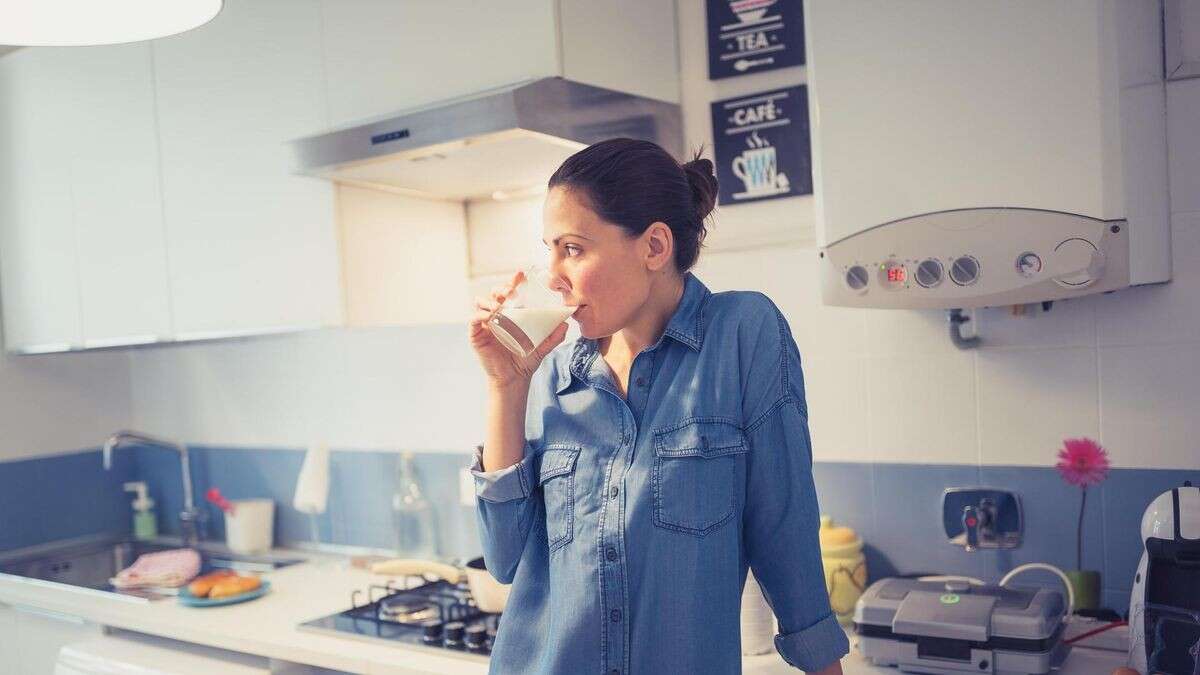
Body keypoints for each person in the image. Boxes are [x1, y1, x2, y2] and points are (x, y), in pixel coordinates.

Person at [467, 138, 848, 674]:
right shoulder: (548, 368)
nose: (552, 275)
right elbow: (504, 559)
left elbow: (783, 524)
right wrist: (505, 390)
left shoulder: (743, 335)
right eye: (549, 249)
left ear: (654, 246)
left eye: (572, 249)